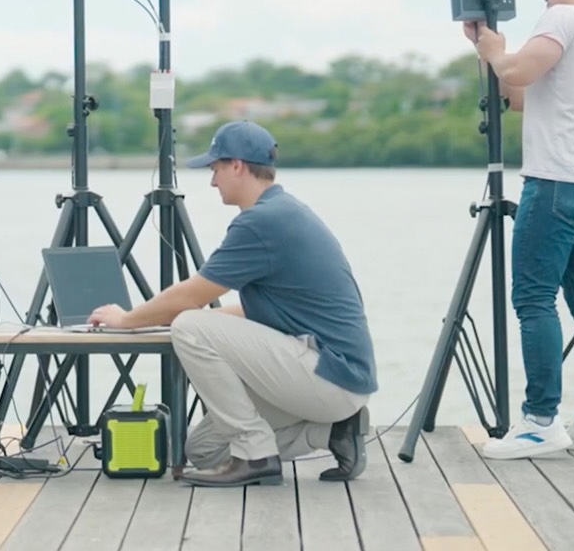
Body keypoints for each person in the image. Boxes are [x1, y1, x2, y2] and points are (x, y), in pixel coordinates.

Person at [88, 120, 376, 488]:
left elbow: (192, 296)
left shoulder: (264, 221)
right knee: (205, 449)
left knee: (189, 325)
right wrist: (158, 320)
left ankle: (256, 457)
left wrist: (127, 319)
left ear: (237, 165)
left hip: (331, 374)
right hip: (331, 380)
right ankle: (334, 432)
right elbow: (260, 312)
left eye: (216, 169)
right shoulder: (283, 211)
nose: (212, 182)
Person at [465, 0, 574, 460]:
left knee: (533, 300)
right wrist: (486, 52)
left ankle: (539, 422)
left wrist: (498, 48)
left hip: (555, 182)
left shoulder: (564, 16)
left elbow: (515, 66)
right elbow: (519, 95)